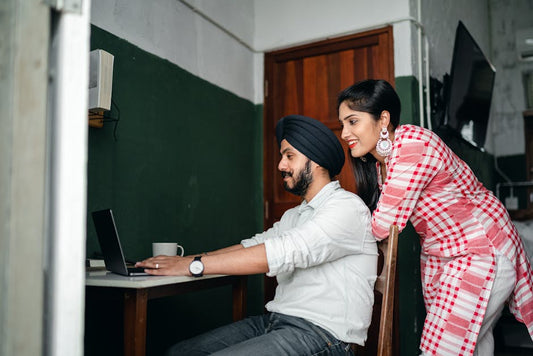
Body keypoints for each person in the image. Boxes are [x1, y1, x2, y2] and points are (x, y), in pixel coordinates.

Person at [136, 114, 378, 356]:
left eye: (289, 156)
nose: (281, 165)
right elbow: (254, 245)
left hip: (323, 336)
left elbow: (282, 252)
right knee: (179, 353)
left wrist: (194, 266)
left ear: (317, 161)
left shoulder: (347, 207)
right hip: (275, 322)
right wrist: (190, 259)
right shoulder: (295, 215)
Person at [336, 79, 533, 356]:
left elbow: (383, 225)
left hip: (480, 251)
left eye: (352, 122)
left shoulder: (412, 146)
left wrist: (330, 233)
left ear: (383, 119)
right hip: (457, 256)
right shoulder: (385, 165)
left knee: (441, 351)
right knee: (474, 346)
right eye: (342, 124)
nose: (344, 133)